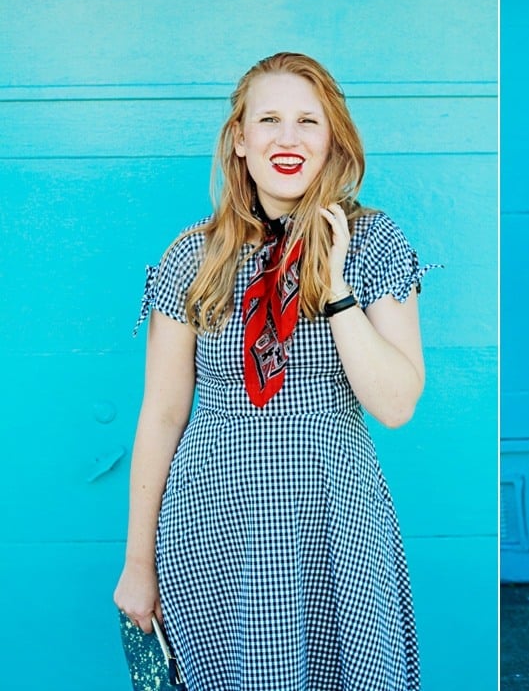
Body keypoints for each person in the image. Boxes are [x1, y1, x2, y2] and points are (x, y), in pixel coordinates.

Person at [113, 52, 430, 690]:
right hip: (213, 525)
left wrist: (337, 286)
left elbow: (396, 404)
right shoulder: (191, 256)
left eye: (308, 121)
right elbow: (163, 413)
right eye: (270, 119)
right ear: (240, 139)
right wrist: (136, 563)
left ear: (332, 138)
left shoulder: (375, 243)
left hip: (337, 519)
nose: (288, 139)